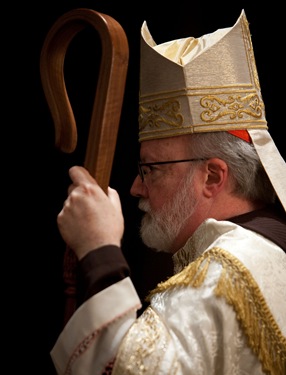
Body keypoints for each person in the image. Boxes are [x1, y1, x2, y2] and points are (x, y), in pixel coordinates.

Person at [51, 10, 286, 375]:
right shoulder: (268, 251)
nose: (135, 187)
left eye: (151, 169)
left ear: (212, 176)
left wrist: (99, 252)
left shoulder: (227, 273)